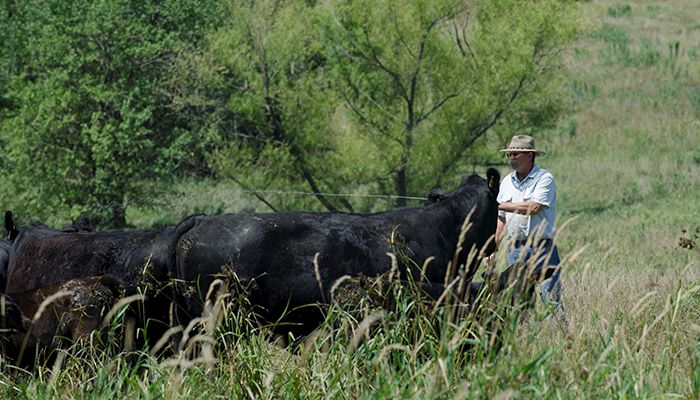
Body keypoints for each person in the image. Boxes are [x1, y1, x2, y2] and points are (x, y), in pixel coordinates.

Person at [491, 135, 563, 313]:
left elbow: (534, 207)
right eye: (510, 154)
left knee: (551, 300)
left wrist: (501, 204)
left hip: (542, 249)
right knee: (518, 304)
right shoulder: (506, 182)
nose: (512, 157)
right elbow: (501, 218)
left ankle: (560, 338)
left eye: (516, 153)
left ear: (530, 155)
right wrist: (492, 248)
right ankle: (523, 339)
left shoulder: (544, 178)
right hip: (516, 250)